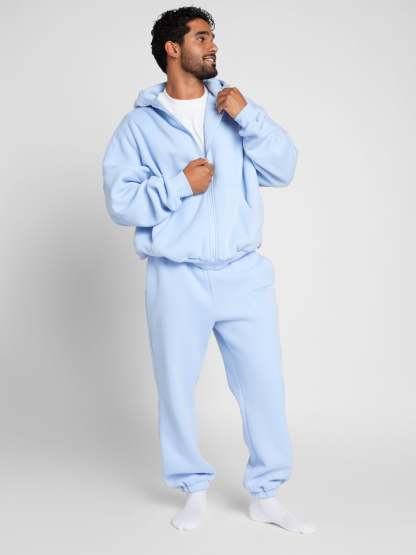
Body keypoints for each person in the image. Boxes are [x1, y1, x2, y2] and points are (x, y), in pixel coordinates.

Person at [102, 6, 315, 534]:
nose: (213, 45)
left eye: (212, 36)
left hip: (243, 272)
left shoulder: (233, 110)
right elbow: (120, 203)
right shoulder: (138, 127)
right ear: (173, 48)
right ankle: (192, 488)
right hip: (176, 276)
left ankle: (266, 494)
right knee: (176, 388)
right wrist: (179, 184)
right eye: (202, 37)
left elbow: (284, 168)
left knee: (264, 386)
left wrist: (250, 116)